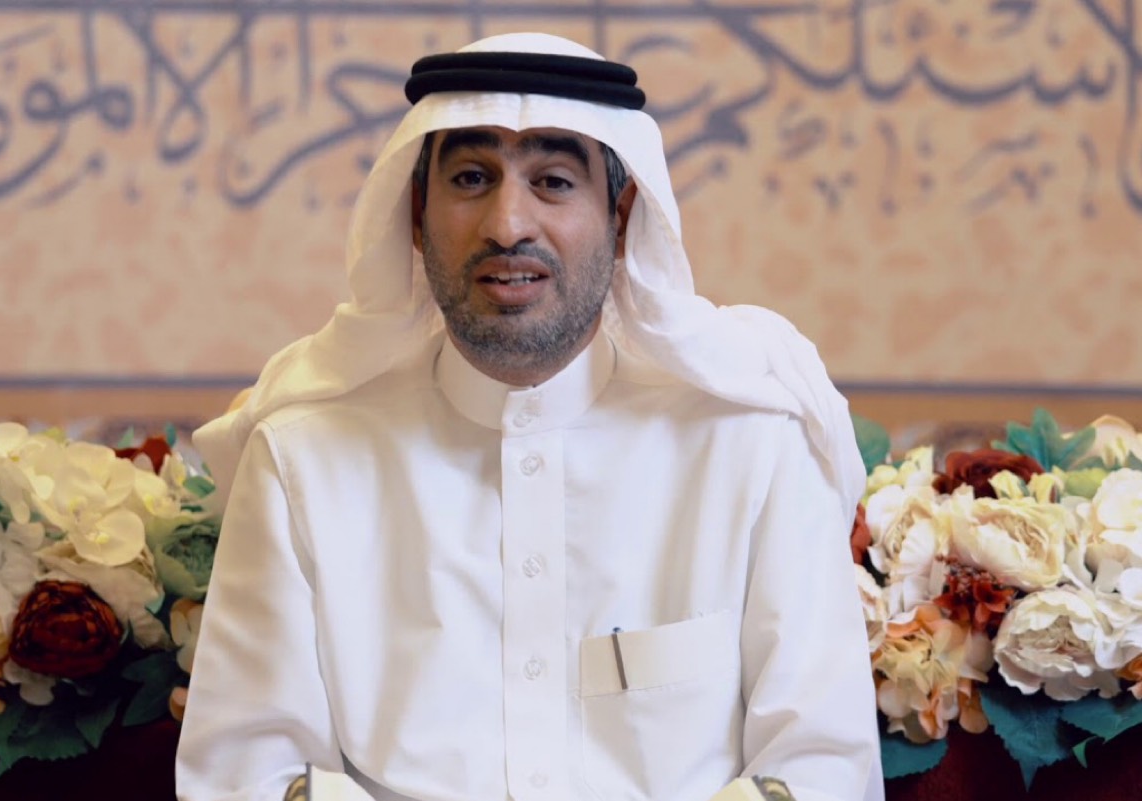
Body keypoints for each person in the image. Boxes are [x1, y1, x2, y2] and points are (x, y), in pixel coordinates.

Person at [176, 32, 883, 801]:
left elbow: (822, 767)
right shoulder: (303, 457)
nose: (507, 224)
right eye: (471, 178)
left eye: (552, 181)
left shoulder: (751, 444)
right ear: (415, 214)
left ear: (621, 217)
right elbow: (244, 773)